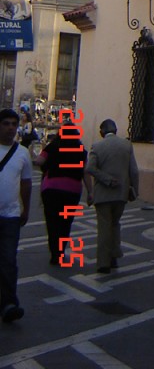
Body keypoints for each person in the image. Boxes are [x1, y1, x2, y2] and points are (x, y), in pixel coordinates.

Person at [84, 118, 139, 274]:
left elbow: (90, 168)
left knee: (104, 228)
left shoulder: (97, 146)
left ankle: (103, 262)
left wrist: (106, 180)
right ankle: (114, 256)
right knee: (115, 224)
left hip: (103, 194)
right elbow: (134, 170)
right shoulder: (126, 145)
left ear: (102, 131)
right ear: (115, 130)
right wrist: (135, 190)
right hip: (121, 194)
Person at [33, 119, 85, 265]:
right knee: (65, 222)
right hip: (72, 190)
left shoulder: (52, 146)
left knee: (52, 221)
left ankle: (54, 253)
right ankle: (61, 251)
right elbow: (85, 172)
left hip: (51, 188)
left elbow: (39, 162)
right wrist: (91, 192)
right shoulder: (80, 149)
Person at [0, 109, 32, 323]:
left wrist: (25, 209)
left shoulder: (22, 153)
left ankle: (9, 303)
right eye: (6, 123)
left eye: (14, 124)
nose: (11, 127)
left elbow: (26, 182)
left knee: (8, 261)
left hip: (10, 216)